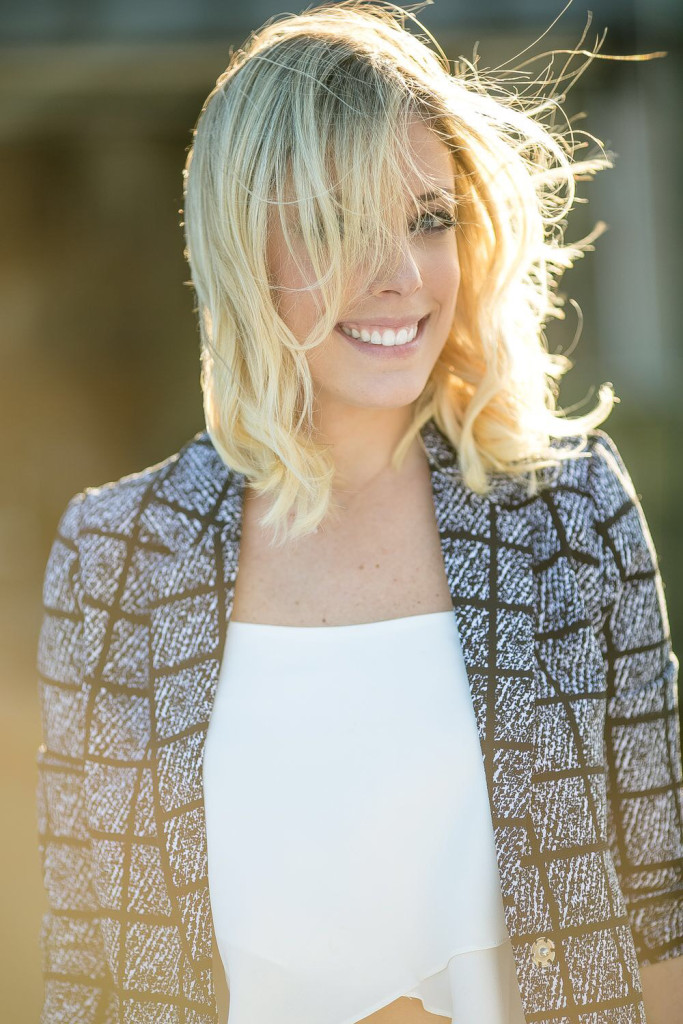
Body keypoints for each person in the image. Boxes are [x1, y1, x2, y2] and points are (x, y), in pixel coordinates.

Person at [36, 2, 683, 1022]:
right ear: (242, 248)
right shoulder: (116, 556)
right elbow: (89, 977)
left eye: (427, 219)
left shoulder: (570, 515)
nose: (400, 276)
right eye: (339, 224)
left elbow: (662, 921)